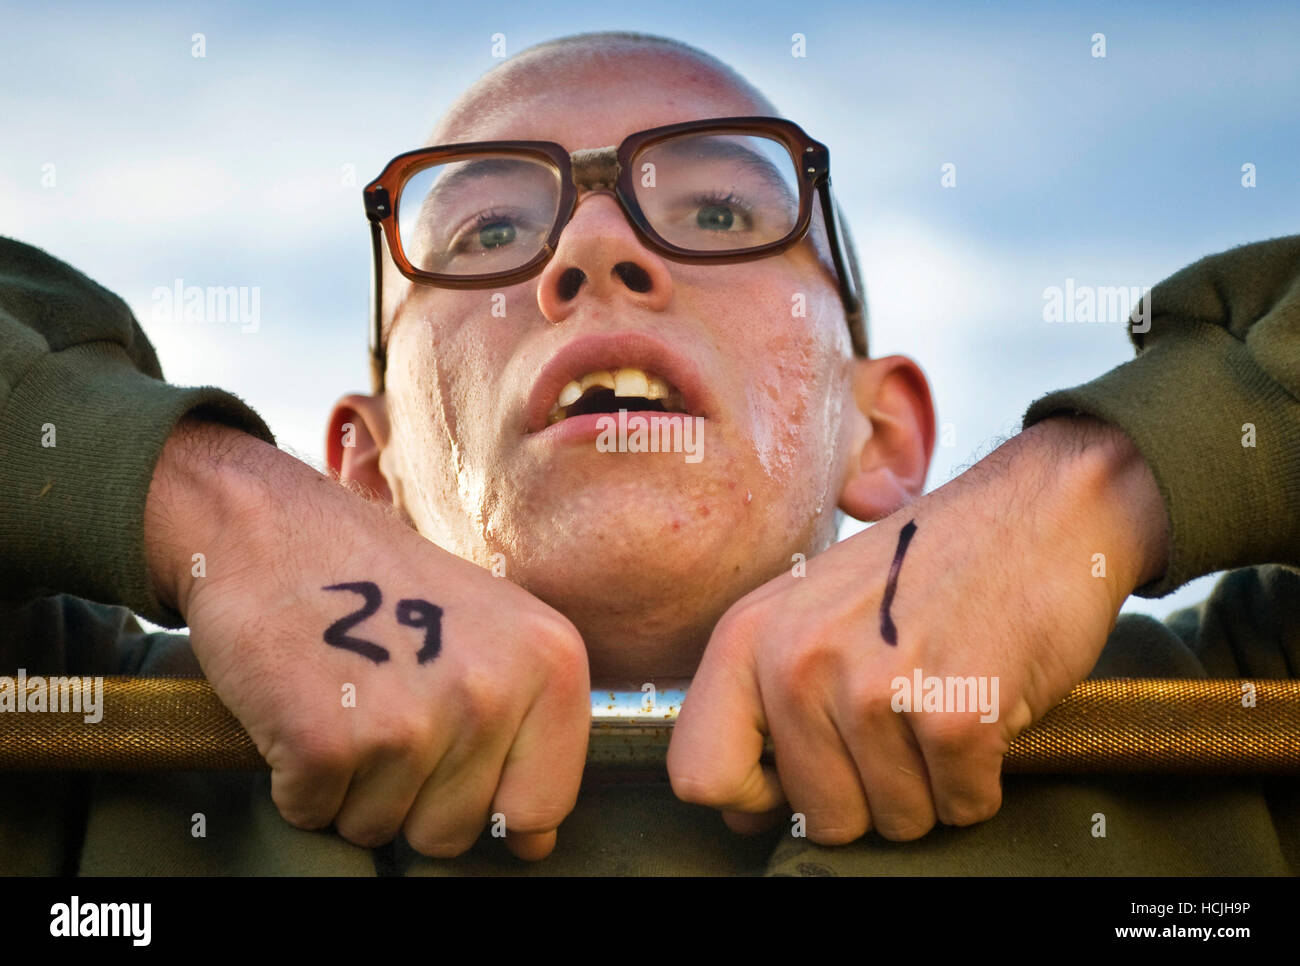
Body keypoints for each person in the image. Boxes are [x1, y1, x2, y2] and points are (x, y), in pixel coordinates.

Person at [0, 31, 1296, 876]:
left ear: (886, 431)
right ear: (360, 470)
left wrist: (1103, 483)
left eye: (721, 209)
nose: (591, 255)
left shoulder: (1233, 734)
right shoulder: (80, 765)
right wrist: (197, 493)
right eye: (490, 232)